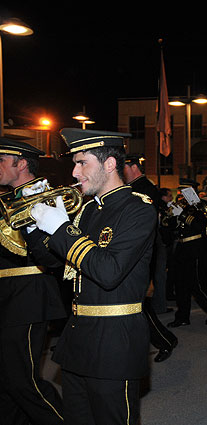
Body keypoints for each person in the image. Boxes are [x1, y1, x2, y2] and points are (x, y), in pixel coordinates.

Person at [30, 128, 157, 425]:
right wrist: (35, 227)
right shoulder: (87, 211)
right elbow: (54, 261)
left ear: (109, 164)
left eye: (82, 162)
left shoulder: (137, 209)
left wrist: (62, 230)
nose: (75, 172)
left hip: (115, 341)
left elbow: (108, 272)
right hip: (78, 339)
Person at [0, 138, 65, 424]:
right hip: (8, 295)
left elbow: (50, 252)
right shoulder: (8, 198)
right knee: (5, 383)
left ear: (21, 163)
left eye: (1, 160)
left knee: (22, 382)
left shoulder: (42, 196)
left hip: (28, 295)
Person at [123, 154, 178, 362]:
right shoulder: (132, 186)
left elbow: (146, 223)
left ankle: (164, 340)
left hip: (142, 248)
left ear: (134, 166)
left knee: (138, 303)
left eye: (124, 167)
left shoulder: (145, 188)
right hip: (134, 248)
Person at [167, 179, 207, 327]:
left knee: (196, 284)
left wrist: (183, 216)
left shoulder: (200, 206)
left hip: (195, 248)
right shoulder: (181, 206)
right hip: (181, 247)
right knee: (180, 285)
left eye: (184, 192)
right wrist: (172, 215)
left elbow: (202, 227)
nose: (181, 195)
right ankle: (182, 316)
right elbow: (172, 228)